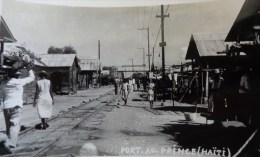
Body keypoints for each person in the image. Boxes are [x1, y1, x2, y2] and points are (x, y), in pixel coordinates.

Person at [0, 66, 35, 151]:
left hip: (6, 107)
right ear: (16, 76)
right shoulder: (19, 82)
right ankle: (11, 144)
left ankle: (9, 142)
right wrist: (29, 68)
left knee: (8, 126)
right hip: (16, 106)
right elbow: (32, 78)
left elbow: (1, 97)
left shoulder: (3, 84)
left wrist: (2, 106)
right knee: (15, 125)